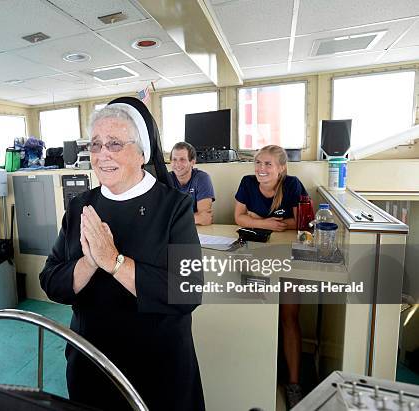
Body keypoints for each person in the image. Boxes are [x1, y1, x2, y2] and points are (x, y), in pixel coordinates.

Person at [39, 97, 205, 411]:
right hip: (92, 362)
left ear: (142, 153)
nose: (102, 155)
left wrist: (114, 261)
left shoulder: (174, 207)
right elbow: (50, 280)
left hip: (157, 369)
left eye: (114, 144)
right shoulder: (80, 207)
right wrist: (89, 262)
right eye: (96, 144)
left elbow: (188, 292)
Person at [233, 144, 307, 408]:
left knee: (289, 316)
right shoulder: (247, 183)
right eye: (258, 163)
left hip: (288, 257)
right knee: (255, 311)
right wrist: (264, 222)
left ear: (281, 168)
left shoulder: (294, 185)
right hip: (255, 255)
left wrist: (255, 217)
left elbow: (301, 223)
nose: (261, 169)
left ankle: (294, 384)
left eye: (267, 164)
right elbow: (238, 218)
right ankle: (256, 375)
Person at [170, 142, 215, 225]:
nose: (177, 164)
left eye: (182, 159)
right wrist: (194, 218)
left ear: (192, 162)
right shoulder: (166, 179)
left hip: (197, 230)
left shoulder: (202, 178)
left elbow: (205, 219)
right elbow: (160, 216)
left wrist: (172, 220)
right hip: (172, 232)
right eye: (174, 159)